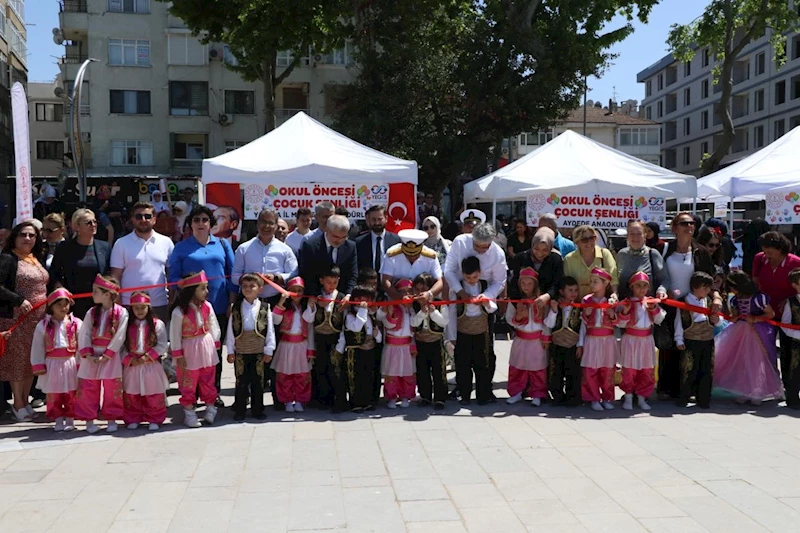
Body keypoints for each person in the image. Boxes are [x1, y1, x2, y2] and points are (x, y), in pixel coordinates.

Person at [168, 205, 235, 408]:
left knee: (213, 353)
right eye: (196, 220)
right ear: (190, 224)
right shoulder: (181, 247)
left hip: (219, 306)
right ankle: (192, 394)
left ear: (211, 224)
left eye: (205, 219)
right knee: (191, 354)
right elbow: (173, 277)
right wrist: (185, 283)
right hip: (190, 310)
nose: (200, 223)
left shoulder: (222, 245)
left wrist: (232, 301)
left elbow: (232, 276)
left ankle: (212, 393)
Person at [659, 212, 721, 400]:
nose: (689, 226)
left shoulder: (700, 252)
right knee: (669, 346)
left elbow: (711, 280)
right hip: (670, 305)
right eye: (684, 223)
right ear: (675, 227)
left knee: (691, 349)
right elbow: (658, 276)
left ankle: (691, 389)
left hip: (694, 306)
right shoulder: (665, 249)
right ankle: (667, 388)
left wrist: (716, 297)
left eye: (692, 223)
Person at [0, 221, 49, 422]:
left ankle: (26, 402)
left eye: (32, 235)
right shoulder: (7, 258)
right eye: (23, 235)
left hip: (37, 320)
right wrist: (19, 300)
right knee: (17, 363)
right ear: (15, 237)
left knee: (31, 362)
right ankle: (18, 404)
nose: (27, 238)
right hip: (16, 319)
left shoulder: (35, 258)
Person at [713, 271, 783, 405]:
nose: (731, 290)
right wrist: (734, 317)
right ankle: (745, 391)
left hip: (758, 331)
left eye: (733, 287)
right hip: (740, 331)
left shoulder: (759, 298)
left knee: (760, 360)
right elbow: (735, 314)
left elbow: (770, 314)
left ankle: (760, 391)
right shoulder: (735, 300)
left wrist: (756, 318)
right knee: (743, 361)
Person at [75, 275, 129, 434]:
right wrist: (87, 354)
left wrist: (107, 355)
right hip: (91, 355)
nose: (92, 294)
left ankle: (111, 419)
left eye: (95, 291)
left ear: (107, 294)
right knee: (88, 387)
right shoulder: (91, 312)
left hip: (110, 357)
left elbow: (120, 335)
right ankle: (89, 421)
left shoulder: (122, 312)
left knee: (112, 388)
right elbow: (84, 333)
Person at [170, 271, 222, 427]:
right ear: (192, 290)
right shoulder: (179, 311)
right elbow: (174, 334)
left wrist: (215, 344)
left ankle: (211, 409)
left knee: (208, 379)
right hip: (189, 349)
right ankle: (189, 413)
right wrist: (178, 355)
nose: (207, 292)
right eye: (203, 288)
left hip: (206, 348)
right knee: (188, 382)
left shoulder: (207, 306)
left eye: (206, 288)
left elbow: (214, 326)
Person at [752, 231, 800, 397]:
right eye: (764, 250)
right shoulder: (759, 259)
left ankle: (790, 389)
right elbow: (755, 283)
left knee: (788, 353)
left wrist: (789, 301)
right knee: (765, 351)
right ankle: (768, 386)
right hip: (764, 314)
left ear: (780, 248)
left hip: (788, 316)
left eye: (770, 251)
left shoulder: (795, 262)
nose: (767, 254)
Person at [110, 203, 175, 324]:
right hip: (130, 305)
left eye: (147, 216)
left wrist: (171, 301)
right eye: (139, 216)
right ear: (132, 220)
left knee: (159, 342)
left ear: (154, 219)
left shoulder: (167, 242)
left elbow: (171, 275)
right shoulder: (121, 244)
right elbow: (115, 277)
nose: (143, 220)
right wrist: (117, 305)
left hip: (159, 305)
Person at [226, 273, 276, 421]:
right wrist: (230, 350)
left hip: (259, 350)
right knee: (241, 381)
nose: (248, 289)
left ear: (260, 289)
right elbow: (231, 331)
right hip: (241, 350)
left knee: (258, 381)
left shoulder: (265, 308)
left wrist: (269, 349)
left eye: (252, 286)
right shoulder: (236, 308)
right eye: (245, 286)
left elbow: (270, 330)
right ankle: (240, 410)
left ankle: (257, 410)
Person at [30, 288, 81, 432]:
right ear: (51, 306)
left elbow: (82, 344)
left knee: (71, 392)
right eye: (59, 305)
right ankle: (58, 418)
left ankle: (70, 418)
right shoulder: (43, 326)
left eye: (66, 304)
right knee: (54, 393)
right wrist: (38, 365)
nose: (63, 308)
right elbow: (37, 346)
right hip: (52, 363)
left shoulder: (76, 323)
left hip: (70, 362)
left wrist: (80, 364)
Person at [49, 209, 112, 320]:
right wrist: (61, 292)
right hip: (73, 303)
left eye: (94, 222)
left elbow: (108, 274)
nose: (93, 225)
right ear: (76, 227)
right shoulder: (64, 248)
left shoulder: (105, 247)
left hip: (98, 304)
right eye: (88, 223)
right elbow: (54, 274)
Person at [121, 292, 169, 431]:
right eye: (136, 308)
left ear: (148, 307)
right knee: (132, 393)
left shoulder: (157, 324)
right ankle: (133, 418)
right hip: (133, 365)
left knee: (152, 392)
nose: (140, 311)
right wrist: (129, 359)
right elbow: (121, 346)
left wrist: (148, 356)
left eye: (143, 307)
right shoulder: (126, 326)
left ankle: (154, 418)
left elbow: (162, 344)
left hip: (150, 365)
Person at [617, 272, 665, 411]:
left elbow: (659, 320)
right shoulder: (626, 303)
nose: (642, 289)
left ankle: (642, 397)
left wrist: (654, 309)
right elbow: (620, 324)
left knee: (646, 370)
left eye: (645, 286)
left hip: (646, 340)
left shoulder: (650, 302)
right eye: (638, 286)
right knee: (629, 370)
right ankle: (628, 397)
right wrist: (625, 312)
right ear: (632, 287)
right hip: (631, 340)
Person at [453, 256, 497, 406]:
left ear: (480, 272)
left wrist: (486, 302)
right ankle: (464, 395)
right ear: (463, 274)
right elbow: (452, 311)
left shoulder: (485, 285)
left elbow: (493, 308)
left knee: (482, 365)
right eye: (468, 277)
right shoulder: (458, 287)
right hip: (463, 330)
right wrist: (451, 335)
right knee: (463, 364)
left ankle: (483, 395)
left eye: (475, 276)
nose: (472, 280)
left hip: (481, 330)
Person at [505, 267, 549, 407]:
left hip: (537, 341)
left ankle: (537, 394)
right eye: (523, 283)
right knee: (518, 368)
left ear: (535, 284)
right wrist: (518, 317)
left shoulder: (542, 302)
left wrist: (546, 337)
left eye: (529, 284)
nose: (526, 287)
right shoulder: (515, 301)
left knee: (538, 369)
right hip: (521, 340)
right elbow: (508, 318)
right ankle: (516, 393)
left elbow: (547, 322)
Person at [304, 265, 347, 411]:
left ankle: (339, 401)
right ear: (321, 281)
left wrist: (341, 345)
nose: (331, 286)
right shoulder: (315, 297)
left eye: (335, 282)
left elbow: (344, 324)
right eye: (328, 282)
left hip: (336, 339)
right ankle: (323, 400)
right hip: (320, 339)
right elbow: (308, 320)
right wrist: (312, 304)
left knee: (336, 370)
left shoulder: (342, 298)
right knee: (321, 369)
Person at [232, 208, 298, 302]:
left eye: (271, 223)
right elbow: (234, 276)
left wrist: (276, 278)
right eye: (263, 222)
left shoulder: (285, 250)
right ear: (257, 224)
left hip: (277, 302)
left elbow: (294, 274)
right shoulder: (243, 249)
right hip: (249, 302)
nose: (267, 226)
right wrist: (251, 280)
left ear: (275, 226)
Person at [674, 272, 719, 409]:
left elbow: (718, 320)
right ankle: (684, 398)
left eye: (708, 288)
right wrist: (679, 340)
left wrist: (716, 320)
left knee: (707, 370)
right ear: (694, 287)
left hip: (707, 340)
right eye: (704, 287)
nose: (707, 291)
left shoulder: (710, 302)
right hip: (690, 340)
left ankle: (704, 399)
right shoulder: (683, 302)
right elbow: (679, 322)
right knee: (688, 370)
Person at [271, 277, 314, 414]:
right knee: (285, 375)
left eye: (299, 290)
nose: (297, 293)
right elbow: (275, 321)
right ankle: (287, 400)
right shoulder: (285, 308)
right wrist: (282, 301)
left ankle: (300, 400)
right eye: (293, 290)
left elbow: (309, 319)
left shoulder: (305, 308)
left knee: (302, 375)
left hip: (301, 345)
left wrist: (311, 305)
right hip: (286, 345)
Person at [578, 267, 619, 412]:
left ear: (605, 283)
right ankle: (593, 398)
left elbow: (619, 322)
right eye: (591, 281)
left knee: (607, 370)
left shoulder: (611, 302)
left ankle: (607, 397)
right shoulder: (586, 300)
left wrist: (612, 315)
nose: (592, 284)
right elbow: (582, 324)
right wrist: (586, 314)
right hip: (592, 339)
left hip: (607, 340)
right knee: (591, 369)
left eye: (596, 281)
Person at [336, 284, 381, 411]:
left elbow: (375, 332)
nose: (364, 301)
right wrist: (362, 310)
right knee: (355, 377)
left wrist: (377, 335)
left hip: (369, 349)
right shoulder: (350, 315)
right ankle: (356, 402)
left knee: (368, 376)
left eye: (367, 298)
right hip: (355, 351)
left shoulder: (371, 315)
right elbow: (356, 327)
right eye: (361, 298)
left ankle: (367, 401)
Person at [377, 279, 417, 408]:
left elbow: (414, 325)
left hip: (406, 345)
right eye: (402, 291)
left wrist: (411, 309)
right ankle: (391, 397)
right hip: (392, 346)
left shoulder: (412, 307)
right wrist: (387, 312)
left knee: (407, 373)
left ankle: (406, 396)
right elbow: (383, 320)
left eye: (408, 291)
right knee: (392, 374)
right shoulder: (391, 304)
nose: (406, 294)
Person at [410, 273, 448, 410]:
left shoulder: (440, 302)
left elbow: (444, 322)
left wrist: (433, 312)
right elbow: (413, 322)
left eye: (423, 289)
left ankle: (440, 398)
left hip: (436, 341)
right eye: (417, 289)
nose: (420, 293)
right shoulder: (413, 305)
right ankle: (425, 396)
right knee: (422, 370)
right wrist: (421, 313)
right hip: (420, 341)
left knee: (439, 370)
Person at [544, 277, 582, 406]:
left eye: (576, 290)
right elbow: (549, 324)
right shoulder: (555, 305)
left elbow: (583, 328)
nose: (573, 293)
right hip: (557, 344)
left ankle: (573, 398)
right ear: (561, 291)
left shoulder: (579, 307)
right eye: (570, 290)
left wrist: (580, 345)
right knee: (556, 371)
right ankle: (557, 396)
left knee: (573, 372)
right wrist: (554, 310)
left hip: (573, 344)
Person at [298, 214, 357, 297]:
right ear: (327, 229)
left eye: (343, 237)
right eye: (335, 236)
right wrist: (318, 296)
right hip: (316, 299)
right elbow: (307, 274)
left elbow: (352, 274)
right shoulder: (310, 246)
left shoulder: (350, 247)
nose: (339, 241)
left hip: (341, 299)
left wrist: (348, 295)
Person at [508, 227, 564, 311]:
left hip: (546, 306)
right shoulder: (520, 258)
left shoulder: (555, 259)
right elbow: (514, 282)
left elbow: (557, 282)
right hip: (522, 306)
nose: (540, 254)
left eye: (545, 250)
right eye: (536, 249)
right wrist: (520, 303)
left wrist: (548, 296)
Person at [615, 220, 670, 301]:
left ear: (645, 235)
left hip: (647, 308)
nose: (635, 237)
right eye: (632, 234)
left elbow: (664, 279)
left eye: (639, 234)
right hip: (624, 308)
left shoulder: (653, 254)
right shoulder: (621, 254)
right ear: (627, 236)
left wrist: (661, 291)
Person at [563, 225, 618, 299]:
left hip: (601, 304)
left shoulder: (605, 254)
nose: (589, 242)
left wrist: (614, 295)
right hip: (577, 305)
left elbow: (613, 278)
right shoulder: (569, 259)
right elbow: (566, 283)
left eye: (592, 238)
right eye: (584, 240)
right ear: (577, 242)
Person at [356, 205, 401, 274]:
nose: (377, 223)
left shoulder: (396, 241)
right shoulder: (359, 242)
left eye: (380, 219)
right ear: (368, 220)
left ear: (386, 219)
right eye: (373, 219)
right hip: (367, 283)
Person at [780, 268, 800, 409]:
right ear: (795, 285)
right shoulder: (791, 302)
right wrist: (797, 335)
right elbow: (784, 324)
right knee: (795, 370)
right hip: (797, 343)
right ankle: (793, 399)